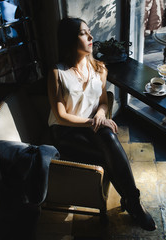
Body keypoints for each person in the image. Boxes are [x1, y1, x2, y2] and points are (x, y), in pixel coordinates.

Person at [47, 17, 156, 231]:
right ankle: (133, 203)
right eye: (83, 33)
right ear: (69, 40)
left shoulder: (99, 68)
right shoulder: (57, 73)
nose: (91, 36)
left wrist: (101, 114)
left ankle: (132, 201)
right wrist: (93, 122)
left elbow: (104, 102)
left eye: (89, 32)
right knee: (106, 154)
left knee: (108, 136)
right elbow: (60, 116)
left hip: (90, 127)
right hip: (65, 133)